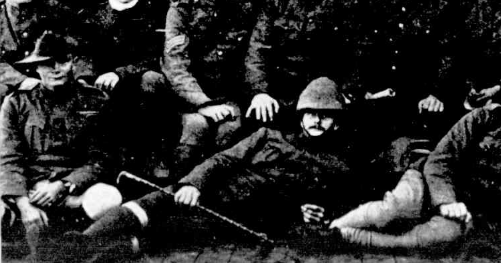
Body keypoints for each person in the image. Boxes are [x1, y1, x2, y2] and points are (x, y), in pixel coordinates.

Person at [63, 77, 363, 262]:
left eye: (326, 116)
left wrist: (310, 212)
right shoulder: (268, 135)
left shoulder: (339, 166)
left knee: (161, 234)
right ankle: (80, 245)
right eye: (310, 113)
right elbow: (223, 160)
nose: (316, 121)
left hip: (237, 218)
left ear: (336, 122)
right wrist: (193, 185)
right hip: (210, 189)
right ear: (300, 117)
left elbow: (336, 209)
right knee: (153, 204)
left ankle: (89, 258)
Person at [333, 74, 501, 251]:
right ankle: (334, 226)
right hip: (430, 181)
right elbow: (441, 160)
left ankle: (352, 238)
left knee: (438, 239)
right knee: (397, 208)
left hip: (469, 209)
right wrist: (446, 200)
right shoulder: (486, 118)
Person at [0, 32, 122, 260]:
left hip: (74, 188)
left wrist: (64, 185)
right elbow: (8, 158)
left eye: (62, 61)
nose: (55, 69)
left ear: (73, 63)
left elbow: (102, 159)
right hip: (29, 188)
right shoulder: (17, 102)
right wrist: (24, 204)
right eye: (46, 64)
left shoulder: (95, 101)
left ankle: (78, 242)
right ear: (36, 69)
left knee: (108, 199)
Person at [245, 0, 365, 124]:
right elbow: (258, 51)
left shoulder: (347, 6)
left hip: (329, 101)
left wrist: (347, 93)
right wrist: (260, 93)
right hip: (283, 99)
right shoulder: (276, 3)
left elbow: (360, 56)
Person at [163, 0, 257, 173]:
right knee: (195, 127)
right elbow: (176, 65)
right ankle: (177, 191)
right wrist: (203, 103)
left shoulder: (242, 9)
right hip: (190, 99)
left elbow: (250, 58)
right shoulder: (181, 11)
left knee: (231, 130)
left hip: (228, 97)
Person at [78, 0, 173, 177]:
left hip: (138, 88)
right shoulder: (90, 16)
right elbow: (80, 53)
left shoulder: (155, 15)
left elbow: (156, 55)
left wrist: (120, 73)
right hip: (101, 88)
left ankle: (154, 157)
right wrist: (87, 77)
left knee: (153, 80)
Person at [362, 0, 457, 143]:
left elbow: (448, 54)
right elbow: (360, 52)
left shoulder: (439, 7)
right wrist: (365, 91)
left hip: (422, 102)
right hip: (380, 101)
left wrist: (437, 93)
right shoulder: (374, 7)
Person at [0, 0, 77, 98]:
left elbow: (77, 51)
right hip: (9, 88)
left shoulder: (58, 12)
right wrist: (20, 80)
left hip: (49, 87)